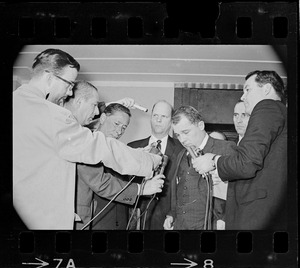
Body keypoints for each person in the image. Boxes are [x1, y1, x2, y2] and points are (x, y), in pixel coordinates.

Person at [13, 48, 161, 230]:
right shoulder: (50, 114)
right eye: (69, 84)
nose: (69, 92)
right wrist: (148, 160)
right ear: (49, 77)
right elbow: (98, 146)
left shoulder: (19, 103)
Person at [192, 70, 287, 230]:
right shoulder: (282, 113)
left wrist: (213, 160)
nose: (243, 97)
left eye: (248, 90)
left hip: (255, 215)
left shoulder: (267, 107)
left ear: (267, 89)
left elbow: (246, 164)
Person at [163, 106, 236, 230]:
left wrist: (225, 220)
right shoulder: (181, 154)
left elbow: (238, 190)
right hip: (181, 226)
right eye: (178, 135)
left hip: (213, 226)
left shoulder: (226, 148)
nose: (182, 140)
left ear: (201, 125)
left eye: (186, 132)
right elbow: (179, 188)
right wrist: (172, 214)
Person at [128, 100, 184, 230]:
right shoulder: (132, 148)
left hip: (168, 220)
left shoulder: (182, 149)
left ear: (171, 121)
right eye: (155, 116)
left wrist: (173, 214)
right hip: (136, 218)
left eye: (163, 117)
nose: (158, 120)